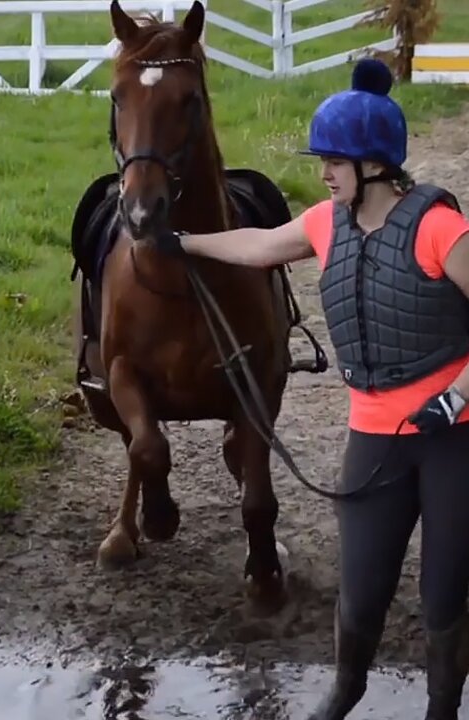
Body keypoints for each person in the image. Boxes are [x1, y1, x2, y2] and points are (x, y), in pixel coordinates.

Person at [150, 58, 469, 720]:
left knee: (443, 593)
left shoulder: (439, 227)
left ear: (375, 163)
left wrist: (460, 394)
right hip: (376, 440)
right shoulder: (328, 223)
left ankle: (443, 707)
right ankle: (344, 692)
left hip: (450, 439)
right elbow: (262, 245)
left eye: (334, 161)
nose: (323, 172)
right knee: (362, 589)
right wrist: (184, 242)